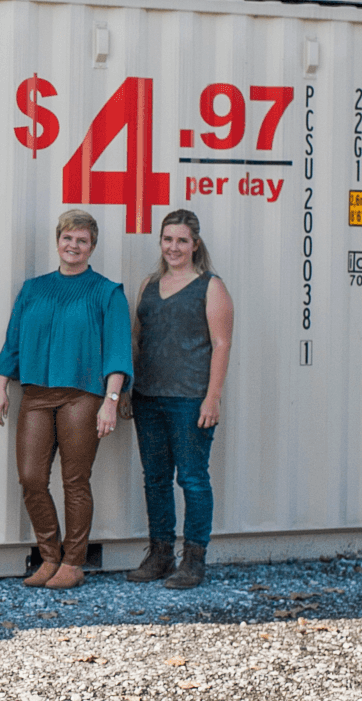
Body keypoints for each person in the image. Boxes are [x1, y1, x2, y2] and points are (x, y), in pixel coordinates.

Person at [0, 209, 133, 591]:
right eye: (68, 238)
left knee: (75, 480)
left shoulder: (106, 292)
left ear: (92, 247)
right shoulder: (33, 289)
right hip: (36, 394)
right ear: (58, 241)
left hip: (83, 396)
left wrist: (110, 400)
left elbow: (119, 350)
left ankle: (73, 562)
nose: (74, 245)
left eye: (82, 240)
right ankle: (49, 555)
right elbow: (14, 341)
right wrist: (1, 386)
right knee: (31, 477)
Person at [125, 209, 234, 589]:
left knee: (192, 479)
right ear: (161, 242)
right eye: (168, 239)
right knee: (155, 479)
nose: (174, 247)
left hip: (190, 400)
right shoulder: (148, 285)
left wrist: (213, 397)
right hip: (148, 398)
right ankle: (159, 554)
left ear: (195, 244)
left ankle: (194, 560)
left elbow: (221, 344)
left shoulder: (210, 286)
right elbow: (137, 339)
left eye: (182, 240)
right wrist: (128, 390)